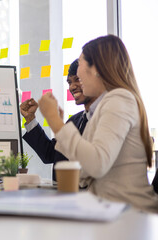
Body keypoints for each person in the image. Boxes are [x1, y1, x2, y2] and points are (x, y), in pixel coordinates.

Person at [38, 35, 158, 212]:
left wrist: (55, 123)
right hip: (109, 211)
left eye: (80, 64)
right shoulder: (101, 108)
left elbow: (96, 165)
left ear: (97, 69)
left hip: (128, 215)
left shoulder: (119, 99)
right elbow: (85, 171)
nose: (77, 75)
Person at [21, 59, 97, 180]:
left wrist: (54, 119)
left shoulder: (104, 119)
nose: (72, 87)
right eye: (69, 82)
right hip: (63, 195)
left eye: (78, 79)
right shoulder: (75, 120)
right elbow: (50, 154)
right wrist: (30, 119)